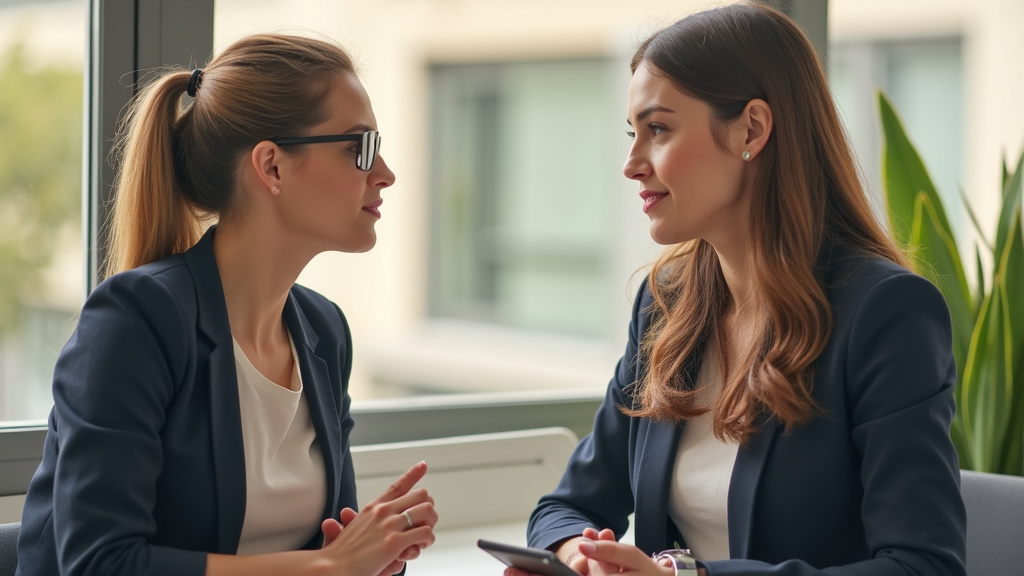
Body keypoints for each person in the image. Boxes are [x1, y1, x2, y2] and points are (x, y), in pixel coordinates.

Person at [509, 3, 966, 576]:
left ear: (751, 128)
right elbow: (568, 505)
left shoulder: (885, 313)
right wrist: (583, 556)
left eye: (658, 129)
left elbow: (923, 566)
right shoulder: (667, 303)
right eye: (633, 132)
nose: (630, 164)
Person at [16, 33, 437, 576]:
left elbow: (327, 550)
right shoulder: (135, 319)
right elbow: (102, 563)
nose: (385, 174)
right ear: (272, 166)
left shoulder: (324, 330)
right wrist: (329, 567)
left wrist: (374, 553)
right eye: (361, 148)